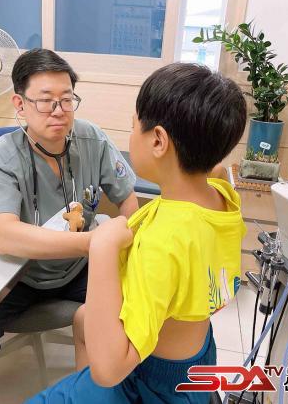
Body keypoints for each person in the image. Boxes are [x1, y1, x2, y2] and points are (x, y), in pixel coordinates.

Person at [25, 62, 247, 403]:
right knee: (84, 319)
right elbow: (216, 169)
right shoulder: (222, 196)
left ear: (158, 140)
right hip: (197, 356)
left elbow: (109, 370)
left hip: (148, 383)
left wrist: (102, 246)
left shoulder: (161, 241)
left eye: (133, 127)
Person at [0, 48, 139, 404]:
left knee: (137, 308)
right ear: (20, 104)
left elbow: (128, 201)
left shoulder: (92, 140)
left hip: (78, 269)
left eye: (67, 100)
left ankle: (110, 395)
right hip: (19, 274)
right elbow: (5, 235)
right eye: (45, 101)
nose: (58, 111)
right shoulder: (0, 157)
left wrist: (121, 247)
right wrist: (94, 242)